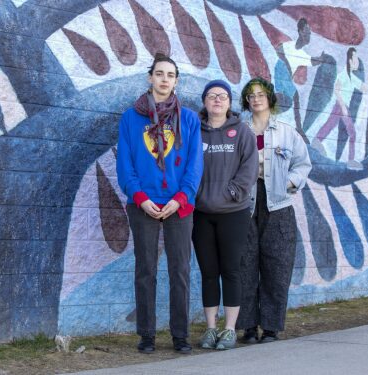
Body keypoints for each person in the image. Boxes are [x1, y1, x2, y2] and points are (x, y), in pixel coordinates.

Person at [116, 53, 203, 354]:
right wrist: (140, 198)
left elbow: (194, 166)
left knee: (180, 270)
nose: (165, 79)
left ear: (176, 81)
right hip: (145, 205)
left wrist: (180, 199)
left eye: (170, 75)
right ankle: (147, 335)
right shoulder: (131, 117)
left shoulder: (189, 119)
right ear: (150, 77)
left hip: (180, 206)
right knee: (146, 270)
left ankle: (180, 336)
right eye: (160, 74)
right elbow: (125, 164)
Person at [236, 77, 312, 343]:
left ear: (269, 98)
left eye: (261, 94)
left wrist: (289, 182)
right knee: (245, 265)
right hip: (245, 205)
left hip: (278, 204)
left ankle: (270, 328)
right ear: (247, 101)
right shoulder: (239, 131)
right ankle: (247, 327)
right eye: (251, 95)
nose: (256, 99)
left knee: (276, 267)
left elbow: (303, 164)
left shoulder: (286, 132)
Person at [192, 80, 258, 350]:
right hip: (201, 213)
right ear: (205, 102)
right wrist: (194, 196)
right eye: (211, 96)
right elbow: (185, 167)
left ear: (230, 103)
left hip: (234, 213)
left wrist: (231, 193)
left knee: (230, 270)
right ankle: (210, 328)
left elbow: (249, 169)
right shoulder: (194, 131)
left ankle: (229, 329)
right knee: (208, 272)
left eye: (222, 96)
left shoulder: (242, 132)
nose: (217, 100)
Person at [312, 47, 368, 170]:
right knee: (352, 133)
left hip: (341, 107)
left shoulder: (352, 78)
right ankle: (350, 161)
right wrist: (343, 107)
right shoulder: (343, 75)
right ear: (349, 61)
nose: (357, 62)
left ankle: (316, 141)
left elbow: (364, 88)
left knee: (329, 125)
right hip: (341, 106)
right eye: (355, 59)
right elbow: (337, 91)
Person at [274, 18, 323, 138]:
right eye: (307, 31)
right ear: (300, 31)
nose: (309, 35)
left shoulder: (302, 55)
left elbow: (313, 61)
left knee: (289, 100)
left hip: (283, 80)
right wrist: (286, 63)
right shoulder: (289, 46)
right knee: (293, 96)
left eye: (310, 33)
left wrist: (322, 58)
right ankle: (299, 128)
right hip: (281, 73)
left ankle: (298, 128)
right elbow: (278, 50)